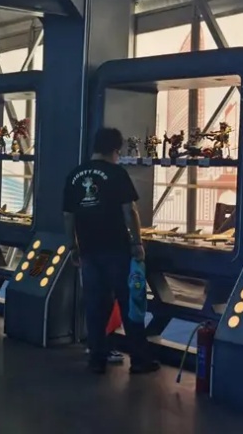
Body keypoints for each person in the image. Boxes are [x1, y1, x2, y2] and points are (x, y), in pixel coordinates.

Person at [63, 127, 159, 375]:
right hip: (116, 248)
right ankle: (139, 359)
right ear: (115, 150)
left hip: (88, 249)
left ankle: (97, 359)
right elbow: (130, 211)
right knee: (129, 303)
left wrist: (72, 245)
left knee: (95, 305)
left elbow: (68, 215)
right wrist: (137, 243)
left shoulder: (74, 175)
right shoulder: (117, 173)